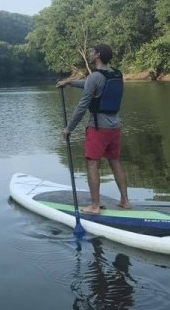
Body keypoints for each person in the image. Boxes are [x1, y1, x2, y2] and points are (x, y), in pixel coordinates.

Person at [56, 44, 130, 214]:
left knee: (92, 163)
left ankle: (95, 206)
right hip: (115, 127)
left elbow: (82, 106)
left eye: (91, 52)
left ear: (97, 55)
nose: (89, 54)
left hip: (98, 129)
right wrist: (70, 82)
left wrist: (69, 128)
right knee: (115, 161)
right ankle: (125, 201)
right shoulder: (116, 74)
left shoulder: (95, 77)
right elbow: (93, 85)